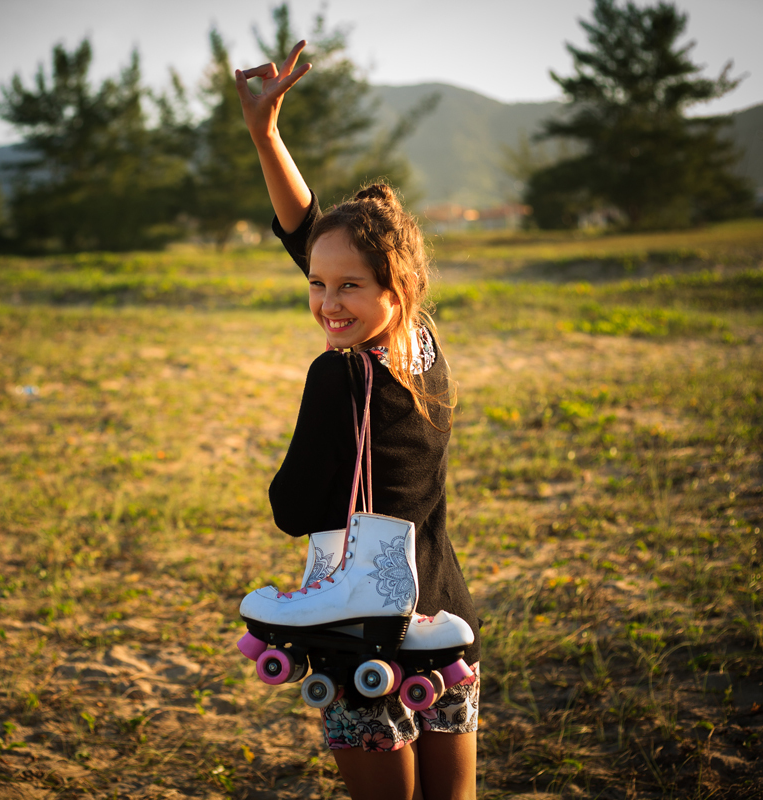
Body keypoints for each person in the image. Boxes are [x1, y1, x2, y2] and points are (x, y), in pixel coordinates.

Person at [235, 40, 481, 800]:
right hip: (445, 614)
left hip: (364, 634)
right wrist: (267, 137)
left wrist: (264, 137)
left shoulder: (338, 374)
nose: (325, 303)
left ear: (393, 288)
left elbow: (294, 510)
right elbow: (314, 233)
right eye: (315, 284)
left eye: (346, 288)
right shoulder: (422, 342)